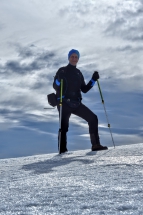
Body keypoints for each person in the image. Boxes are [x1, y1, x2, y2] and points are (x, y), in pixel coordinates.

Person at [53, 49, 108, 153]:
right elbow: (55, 86)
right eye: (72, 56)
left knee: (93, 118)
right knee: (63, 127)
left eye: (76, 57)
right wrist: (58, 79)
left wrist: (93, 80)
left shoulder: (78, 73)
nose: (74, 58)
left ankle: (96, 145)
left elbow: (84, 89)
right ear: (69, 58)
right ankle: (62, 151)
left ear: (78, 59)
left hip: (76, 102)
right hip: (64, 102)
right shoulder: (62, 71)